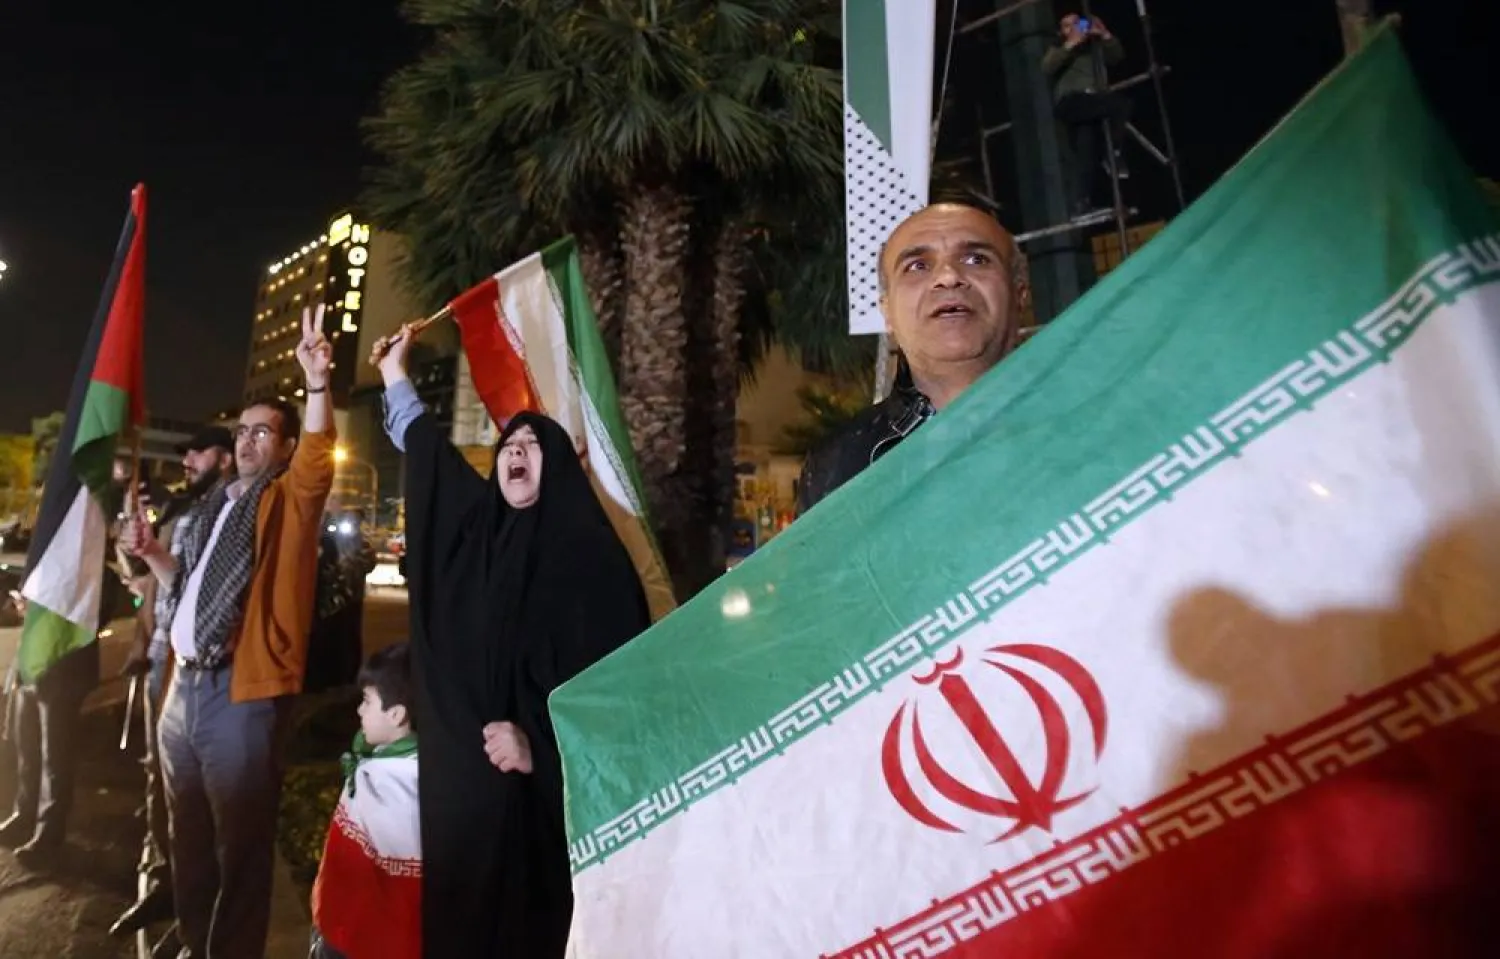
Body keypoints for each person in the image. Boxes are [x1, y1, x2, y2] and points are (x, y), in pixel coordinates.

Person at [371, 325, 652, 958]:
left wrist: (539, 746)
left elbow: (619, 701)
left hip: (545, 820)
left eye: (533, 443)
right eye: (507, 444)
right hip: (467, 817)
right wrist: (394, 374)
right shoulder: (477, 542)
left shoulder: (593, 564)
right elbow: (432, 462)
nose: (515, 450)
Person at [122, 305, 336, 959]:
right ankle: (195, 941)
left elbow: (319, 464)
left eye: (263, 432)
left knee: (239, 845)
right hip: (182, 691)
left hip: (240, 694)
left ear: (285, 445)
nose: (246, 442)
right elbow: (187, 585)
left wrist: (317, 382)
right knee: (186, 838)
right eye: (242, 431)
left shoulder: (287, 496)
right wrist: (153, 551)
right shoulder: (219, 504)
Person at [798, 202, 1030, 513]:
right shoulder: (837, 463)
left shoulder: (1095, 415)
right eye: (918, 266)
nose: (948, 277)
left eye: (976, 259)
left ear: (1021, 294)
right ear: (887, 312)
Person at [110, 425, 235, 944]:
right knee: (156, 781)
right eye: (184, 452)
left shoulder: (225, 514)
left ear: (225, 460)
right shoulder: (182, 509)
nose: (187, 460)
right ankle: (169, 887)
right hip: (160, 654)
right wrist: (134, 545)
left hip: (192, 666)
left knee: (186, 795)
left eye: (198, 451)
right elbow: (148, 576)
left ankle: (191, 909)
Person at [309, 642, 421, 959]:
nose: (359, 710)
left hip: (363, 940)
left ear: (397, 714)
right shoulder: (377, 760)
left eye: (367, 701)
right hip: (337, 923)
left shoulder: (404, 784)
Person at [1043, 11, 1129, 214]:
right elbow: (1047, 67)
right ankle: (1113, 154)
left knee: (1086, 151)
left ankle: (1082, 203)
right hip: (1072, 101)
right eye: (1067, 26)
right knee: (1119, 104)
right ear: (1061, 31)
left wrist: (1104, 34)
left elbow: (1117, 56)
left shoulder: (1093, 48)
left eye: (1077, 23)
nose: (1073, 28)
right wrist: (1070, 43)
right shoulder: (1060, 48)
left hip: (1092, 101)